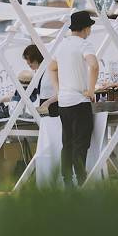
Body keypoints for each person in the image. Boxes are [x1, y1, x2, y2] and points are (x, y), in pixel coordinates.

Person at [49, 11, 99, 187]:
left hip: (64, 103)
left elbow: (52, 68)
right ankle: (81, 179)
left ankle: (67, 180)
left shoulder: (62, 45)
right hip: (79, 102)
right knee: (80, 143)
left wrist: (58, 89)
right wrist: (91, 90)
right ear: (86, 28)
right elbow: (94, 65)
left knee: (67, 143)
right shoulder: (85, 44)